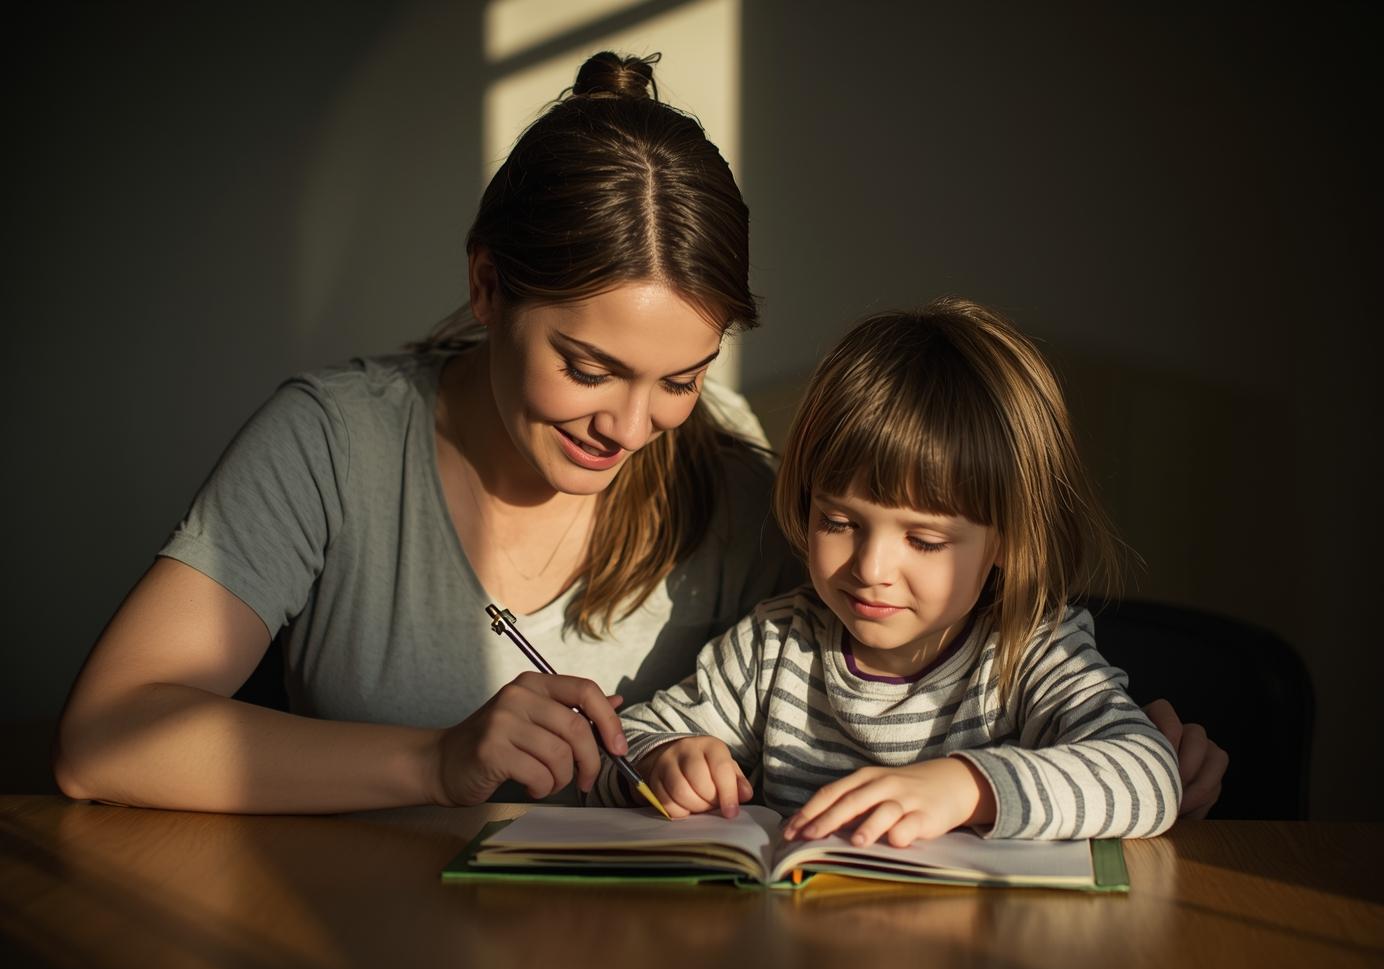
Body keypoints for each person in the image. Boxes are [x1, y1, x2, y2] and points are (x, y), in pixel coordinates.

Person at [53, 52, 1223, 817]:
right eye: (588, 366)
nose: (631, 427)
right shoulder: (330, 445)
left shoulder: (739, 489)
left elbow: (936, 649)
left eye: (682, 378)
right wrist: (432, 761)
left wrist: (1133, 761)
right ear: (488, 285)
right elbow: (103, 740)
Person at [592, 300, 1189, 843]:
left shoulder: (1028, 650)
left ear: (1008, 539)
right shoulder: (775, 645)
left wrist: (969, 788)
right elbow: (625, 745)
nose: (871, 569)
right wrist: (663, 759)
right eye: (839, 522)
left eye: (925, 540)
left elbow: (1150, 773)